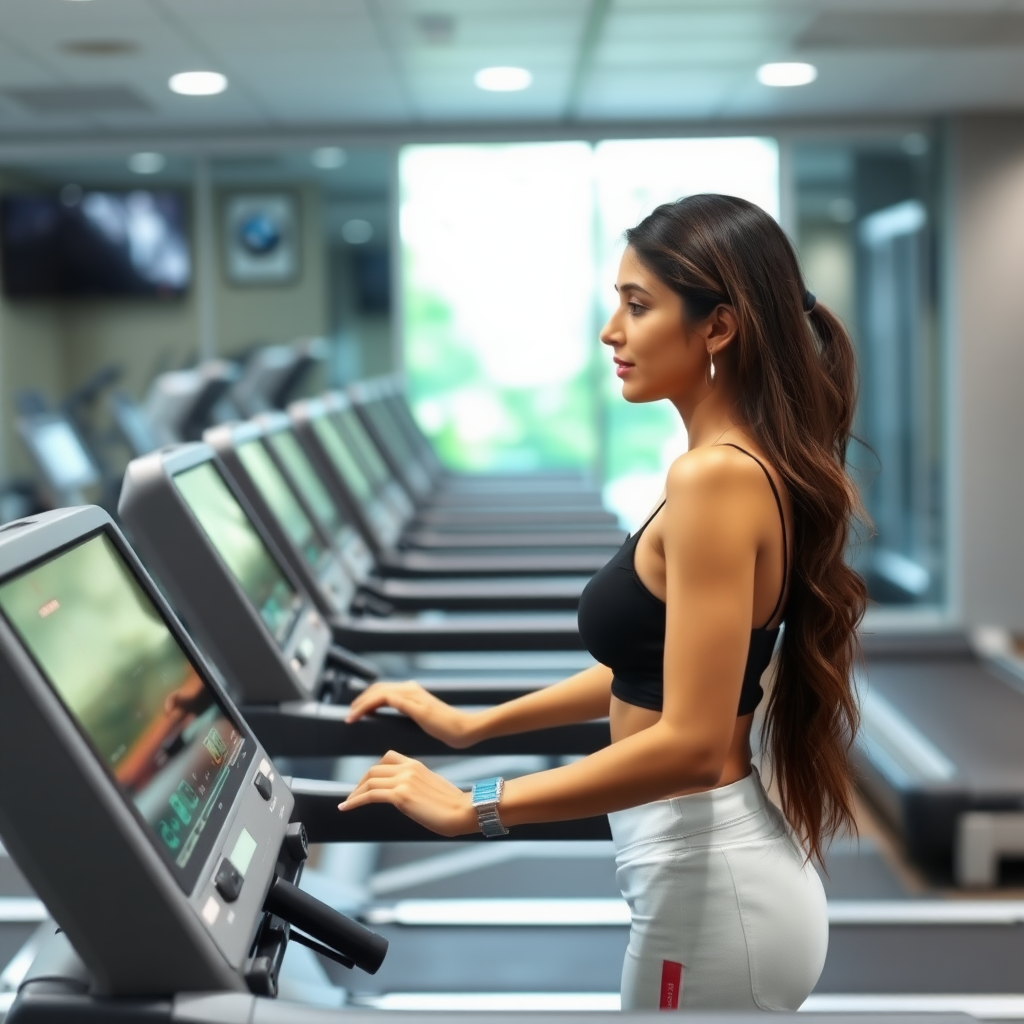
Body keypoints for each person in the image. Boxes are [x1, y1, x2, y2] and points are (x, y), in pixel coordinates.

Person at [340, 193, 867, 1011]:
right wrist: (475, 726)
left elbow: (690, 742)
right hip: (705, 875)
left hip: (710, 893)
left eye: (637, 305)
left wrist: (475, 807)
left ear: (718, 326)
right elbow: (657, 673)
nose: (610, 331)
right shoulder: (723, 465)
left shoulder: (717, 478)